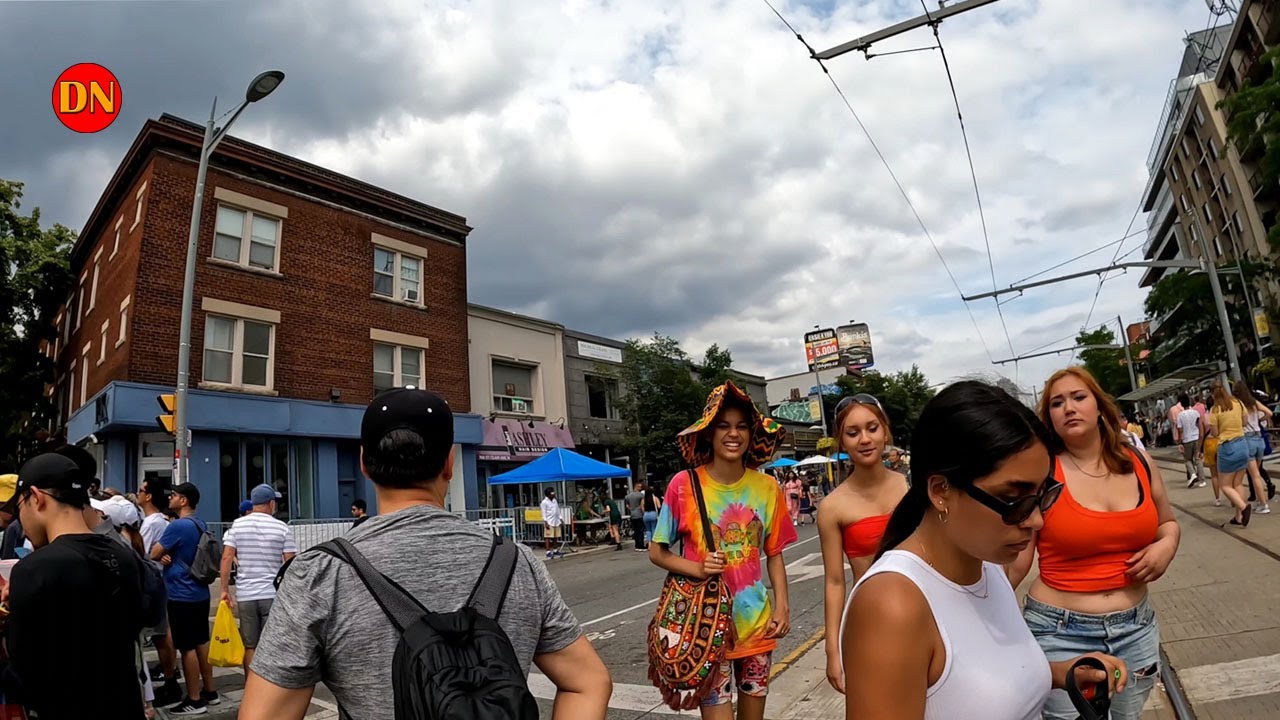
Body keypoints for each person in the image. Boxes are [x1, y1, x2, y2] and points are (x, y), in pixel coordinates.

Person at [241, 387, 611, 719]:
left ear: (364, 463)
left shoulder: (319, 573)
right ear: (449, 463)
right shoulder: (517, 561)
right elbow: (589, 683)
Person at [842, 381, 1128, 720]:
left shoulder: (985, 562)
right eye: (1013, 500)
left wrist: (1057, 673)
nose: (1036, 520)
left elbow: (965, 685)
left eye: (1043, 495)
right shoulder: (892, 606)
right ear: (941, 491)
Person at [1007, 367, 1178, 719]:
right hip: (1059, 634)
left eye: (1078, 397)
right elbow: (1018, 561)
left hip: (1136, 630)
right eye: (1057, 403)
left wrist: (1167, 546)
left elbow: (1168, 523)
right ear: (1049, 418)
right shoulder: (1042, 474)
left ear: (1099, 406)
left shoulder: (1139, 462)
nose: (1069, 408)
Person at [649, 380, 797, 719]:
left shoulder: (767, 487)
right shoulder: (683, 485)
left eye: (742, 426)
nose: (733, 434)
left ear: (751, 434)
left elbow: (774, 553)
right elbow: (657, 552)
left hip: (756, 625)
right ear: (709, 433)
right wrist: (699, 568)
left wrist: (783, 606)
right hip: (704, 631)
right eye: (723, 426)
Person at [2, 453, 147, 719]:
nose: (20, 521)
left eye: (19, 507)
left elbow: (24, 678)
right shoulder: (124, 554)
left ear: (36, 497)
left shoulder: (33, 569)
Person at [817, 394, 907, 694]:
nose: (865, 439)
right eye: (853, 433)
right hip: (869, 623)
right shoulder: (832, 507)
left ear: (886, 432)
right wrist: (832, 650)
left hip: (925, 613)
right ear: (841, 442)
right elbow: (834, 582)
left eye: (872, 428)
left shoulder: (913, 488)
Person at [152, 483, 219, 715]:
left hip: (181, 593)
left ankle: (194, 699)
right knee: (201, 642)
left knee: (186, 647)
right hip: (200, 592)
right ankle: (210, 690)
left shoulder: (178, 526)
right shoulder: (200, 524)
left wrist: (165, 554)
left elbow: (154, 552)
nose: (170, 498)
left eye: (174, 495)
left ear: (184, 500)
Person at [219, 483, 297, 672]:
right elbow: (290, 562)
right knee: (272, 644)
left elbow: (227, 557)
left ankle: (250, 684)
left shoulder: (237, 525)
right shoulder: (281, 527)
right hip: (272, 594)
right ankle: (270, 683)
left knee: (250, 645)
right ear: (271, 503)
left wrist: (224, 590)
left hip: (246, 594)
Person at [137, 478, 182, 706]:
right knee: (163, 632)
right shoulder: (160, 521)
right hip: (160, 580)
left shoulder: (152, 522)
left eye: (141, 490)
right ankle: (170, 671)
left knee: (160, 634)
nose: (137, 494)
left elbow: (141, 552)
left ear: (149, 496)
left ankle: (170, 677)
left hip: (153, 582)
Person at [1207, 383, 1255, 527]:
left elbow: (1215, 433)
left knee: (1225, 485)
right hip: (1242, 444)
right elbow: (1245, 422)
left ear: (1212, 395)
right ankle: (1239, 517)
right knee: (1238, 483)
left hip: (1227, 447)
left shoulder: (1215, 410)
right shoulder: (1238, 403)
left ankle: (1243, 507)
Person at [1233, 380, 1273, 514]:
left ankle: (1263, 504)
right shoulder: (1253, 402)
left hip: (1248, 440)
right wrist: (1260, 420)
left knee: (1254, 475)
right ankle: (1261, 501)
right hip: (1259, 439)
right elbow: (1269, 413)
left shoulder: (1238, 405)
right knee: (1256, 474)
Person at [1174, 393, 1207, 489]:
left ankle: (1193, 474)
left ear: (1181, 404)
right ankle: (1202, 480)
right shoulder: (1195, 413)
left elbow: (1180, 430)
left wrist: (1180, 442)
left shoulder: (1180, 415)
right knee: (1198, 459)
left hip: (1186, 439)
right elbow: (1199, 425)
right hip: (1196, 437)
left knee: (1187, 459)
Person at [542, 487, 564, 559]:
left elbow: (557, 510)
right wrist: (545, 522)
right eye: (552, 493)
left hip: (556, 521)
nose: (554, 494)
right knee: (548, 537)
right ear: (548, 494)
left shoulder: (555, 501)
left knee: (555, 537)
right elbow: (544, 512)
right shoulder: (544, 502)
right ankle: (548, 552)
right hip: (549, 521)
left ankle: (555, 550)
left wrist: (561, 519)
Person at [626, 482, 647, 551]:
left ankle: (637, 545)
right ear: (636, 487)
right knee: (640, 530)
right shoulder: (641, 495)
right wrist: (644, 513)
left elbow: (627, 506)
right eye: (640, 487)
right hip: (639, 514)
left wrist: (631, 509)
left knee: (635, 530)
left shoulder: (628, 496)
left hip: (632, 514)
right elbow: (642, 505)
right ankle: (641, 545)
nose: (640, 488)